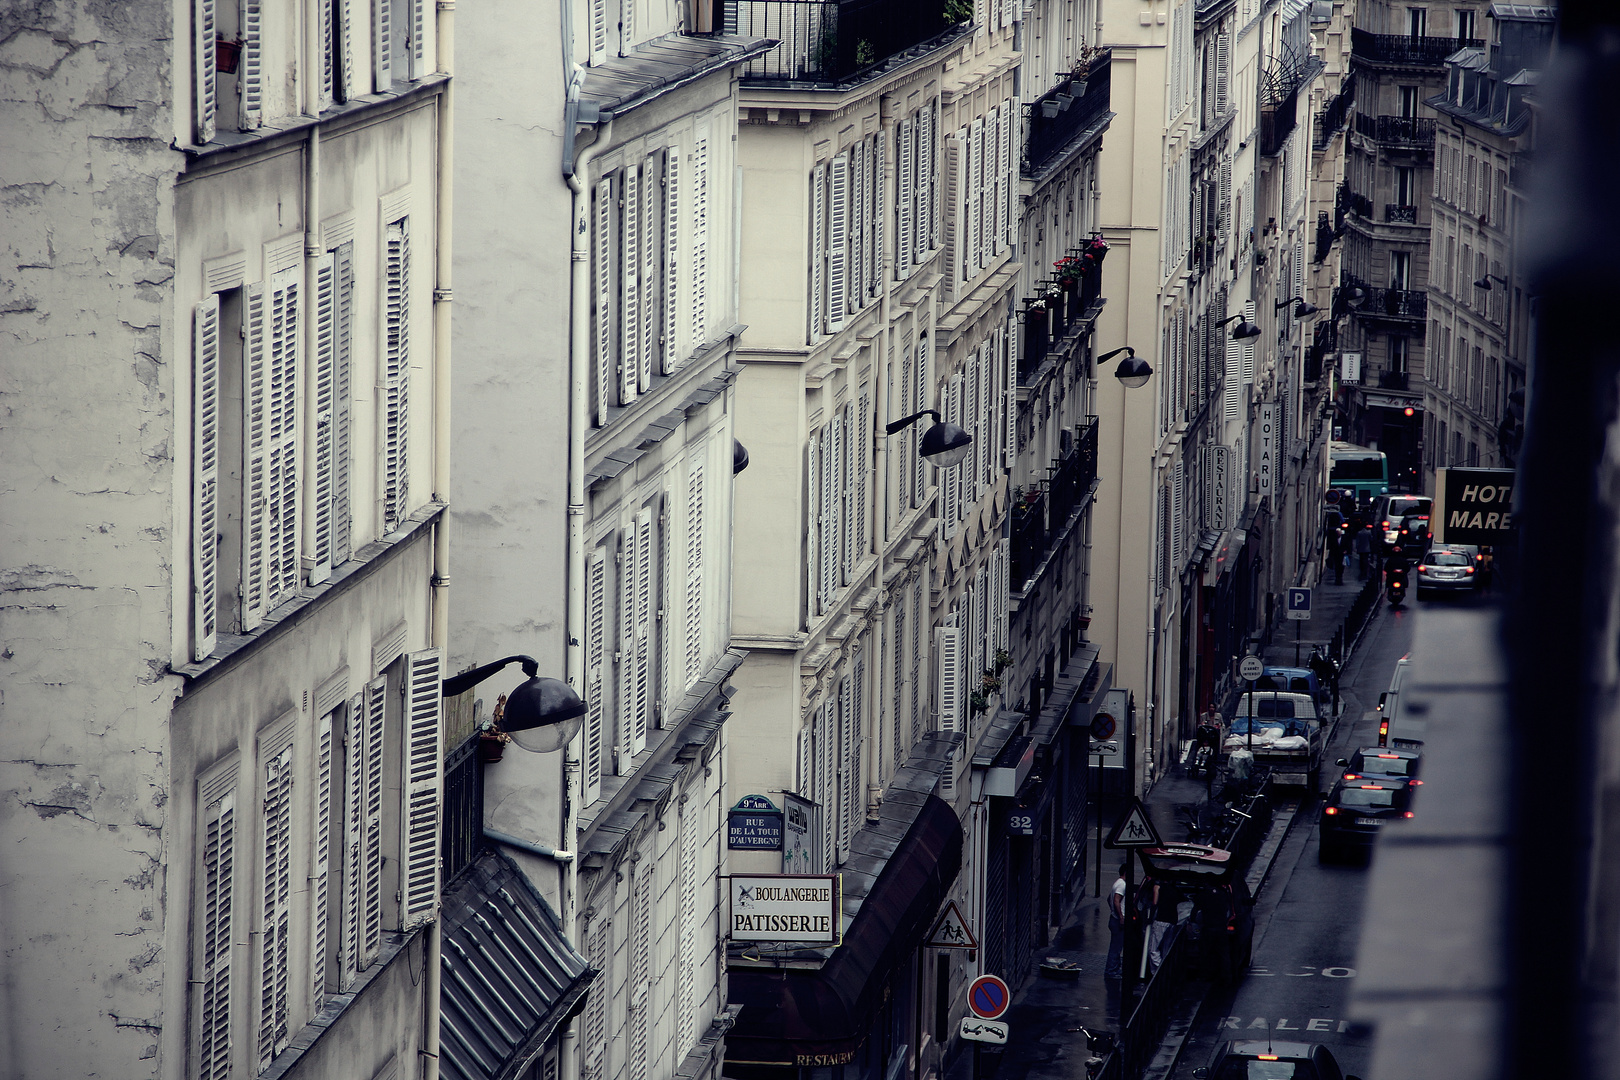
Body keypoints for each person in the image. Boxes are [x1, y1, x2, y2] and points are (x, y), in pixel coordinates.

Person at [1105, 864, 1127, 979]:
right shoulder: (1122, 885)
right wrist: (1121, 916)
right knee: (1116, 947)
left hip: (1114, 918)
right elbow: (1115, 900)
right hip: (1117, 920)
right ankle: (1111, 971)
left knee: (1116, 945)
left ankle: (1115, 969)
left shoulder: (1117, 883)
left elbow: (1109, 899)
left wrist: (1113, 912)